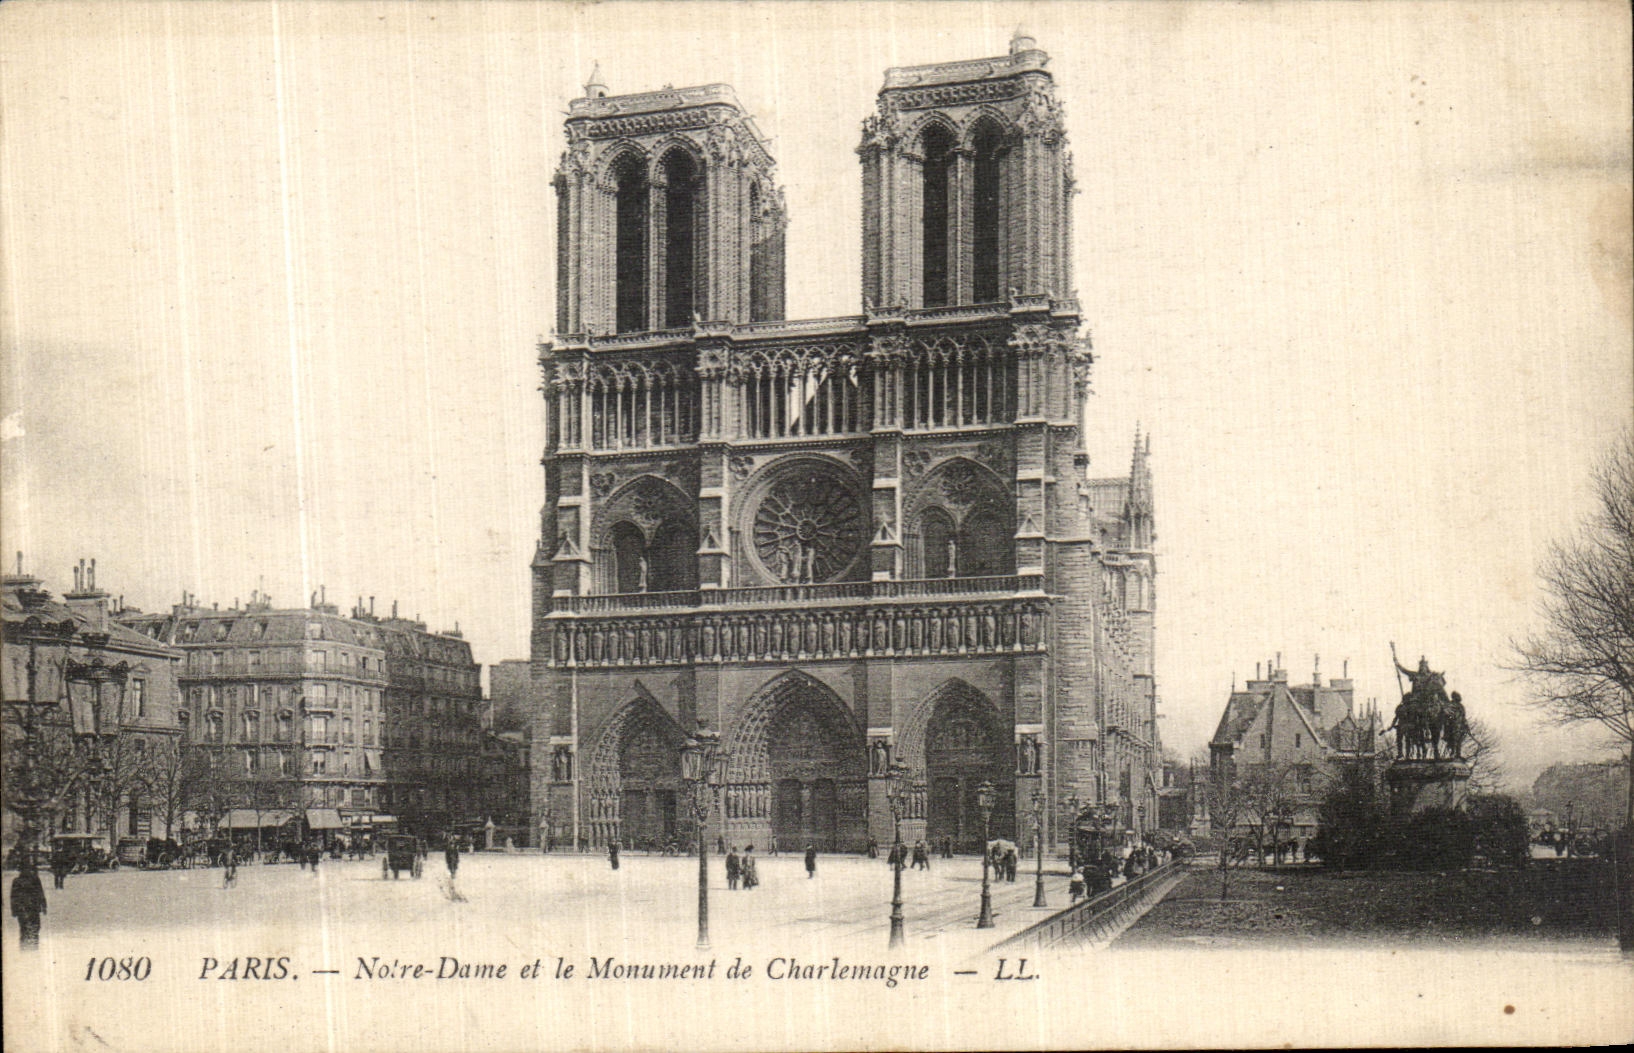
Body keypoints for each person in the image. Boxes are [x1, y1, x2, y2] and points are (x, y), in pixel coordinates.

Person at [10, 860, 46, 950]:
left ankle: (33, 947)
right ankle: (25, 948)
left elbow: (40, 893)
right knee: (24, 929)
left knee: (35, 928)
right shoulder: (17, 881)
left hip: (34, 908)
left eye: (28, 868)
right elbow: (13, 896)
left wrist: (44, 905)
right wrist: (14, 909)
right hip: (23, 909)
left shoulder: (35, 879)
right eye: (24, 869)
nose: (27, 871)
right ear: (21, 870)